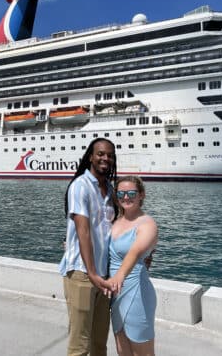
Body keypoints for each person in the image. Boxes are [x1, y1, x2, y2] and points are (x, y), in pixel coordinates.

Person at [59, 138, 117, 356]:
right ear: (91, 157)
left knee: (99, 342)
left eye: (110, 155)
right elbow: (83, 231)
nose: (106, 158)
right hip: (83, 274)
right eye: (101, 154)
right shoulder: (80, 186)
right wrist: (92, 273)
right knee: (80, 344)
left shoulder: (110, 190)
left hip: (102, 276)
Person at [106, 176, 158, 356]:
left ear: (141, 195)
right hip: (115, 292)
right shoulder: (115, 221)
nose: (125, 197)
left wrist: (120, 276)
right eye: (120, 193)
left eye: (131, 193)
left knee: (142, 351)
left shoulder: (147, 223)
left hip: (136, 292)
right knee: (122, 349)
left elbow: (135, 252)